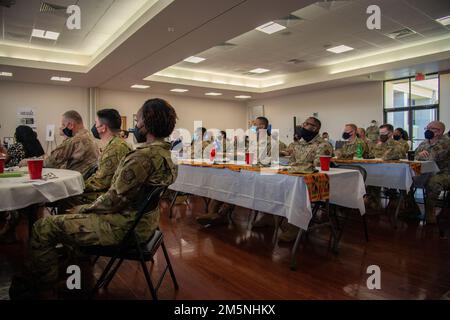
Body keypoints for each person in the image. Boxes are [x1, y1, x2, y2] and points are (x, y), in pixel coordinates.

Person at [9, 98, 178, 299]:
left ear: (147, 123)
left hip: (123, 226)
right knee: (68, 213)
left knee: (42, 227)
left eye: (138, 120)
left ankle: (45, 288)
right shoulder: (167, 155)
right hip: (145, 224)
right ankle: (76, 278)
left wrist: (83, 209)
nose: (135, 126)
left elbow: (113, 200)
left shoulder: (141, 157)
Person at [57, 109, 132, 213]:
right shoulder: (118, 143)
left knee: (66, 198)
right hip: (116, 193)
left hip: (111, 197)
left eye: (96, 123)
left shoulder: (114, 148)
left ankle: (64, 224)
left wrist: (76, 186)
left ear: (103, 128)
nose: (94, 126)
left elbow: (100, 182)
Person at [275, 117, 333, 242]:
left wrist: (296, 167)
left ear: (315, 128)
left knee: (296, 192)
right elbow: (292, 163)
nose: (303, 126)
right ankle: (270, 216)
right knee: (272, 186)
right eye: (304, 123)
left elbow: (317, 166)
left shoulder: (323, 145)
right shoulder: (298, 144)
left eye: (307, 124)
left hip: (313, 184)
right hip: (295, 179)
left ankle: (296, 226)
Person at [0, 126, 45, 243]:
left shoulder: (16, 146)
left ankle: (9, 231)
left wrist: (2, 147)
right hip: (34, 185)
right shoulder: (37, 145)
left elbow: (4, 160)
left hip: (15, 184)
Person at [414, 121, 450, 225]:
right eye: (427, 128)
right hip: (426, 171)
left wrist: (420, 155)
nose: (427, 130)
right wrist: (419, 155)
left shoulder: (446, 142)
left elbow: (432, 157)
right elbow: (414, 155)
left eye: (430, 128)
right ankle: (410, 207)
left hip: (443, 173)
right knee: (408, 178)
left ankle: (430, 212)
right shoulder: (425, 142)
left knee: (432, 182)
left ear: (439, 131)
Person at [44, 110, 99, 177]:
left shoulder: (76, 140)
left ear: (70, 125)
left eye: (63, 125)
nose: (61, 128)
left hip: (76, 181)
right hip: (84, 178)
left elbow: (50, 162)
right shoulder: (88, 136)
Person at [366, 124, 405, 210]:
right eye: (380, 133)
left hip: (393, 174)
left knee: (373, 179)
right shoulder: (378, 144)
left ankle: (394, 203)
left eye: (383, 133)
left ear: (390, 133)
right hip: (378, 171)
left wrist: (380, 150)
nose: (381, 135)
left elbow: (387, 156)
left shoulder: (397, 145)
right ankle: (373, 203)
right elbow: (371, 155)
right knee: (369, 178)